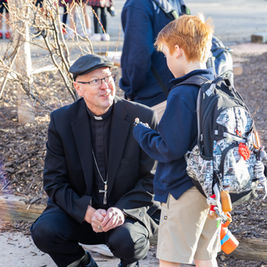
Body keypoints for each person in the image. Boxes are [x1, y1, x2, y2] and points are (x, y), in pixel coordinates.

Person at [30, 53, 160, 267]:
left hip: (126, 215)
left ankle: (128, 263)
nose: (105, 86)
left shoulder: (142, 118)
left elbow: (152, 178)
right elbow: (54, 181)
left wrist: (120, 211)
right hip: (80, 214)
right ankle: (83, 264)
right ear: (78, 88)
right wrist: (87, 213)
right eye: (95, 81)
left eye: (108, 78)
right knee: (45, 231)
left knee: (127, 241)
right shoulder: (62, 121)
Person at [133, 15, 220, 267]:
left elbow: (168, 147)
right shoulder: (216, 85)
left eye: (166, 55)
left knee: (171, 259)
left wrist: (141, 131)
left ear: (178, 51)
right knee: (206, 257)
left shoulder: (182, 92)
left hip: (184, 188)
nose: (167, 61)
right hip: (213, 188)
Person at [119, 0, 189, 107]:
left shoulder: (137, 4)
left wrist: (130, 89)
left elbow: (138, 56)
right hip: (182, 92)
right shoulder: (176, 2)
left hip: (153, 99)